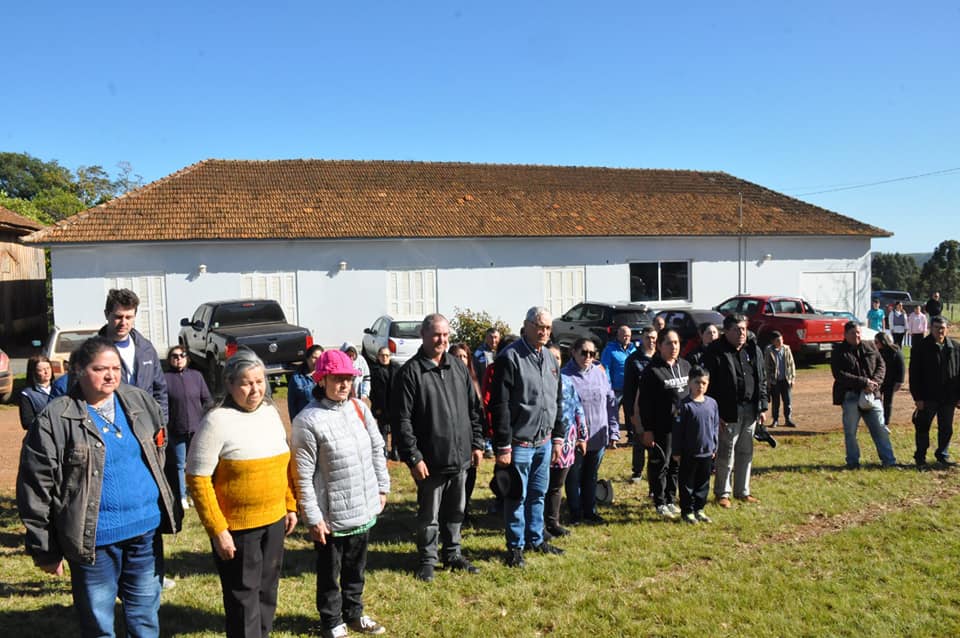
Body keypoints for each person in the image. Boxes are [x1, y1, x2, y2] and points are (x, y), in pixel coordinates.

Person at [17, 337, 180, 638]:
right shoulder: (55, 419)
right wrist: (45, 548)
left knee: (145, 616)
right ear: (78, 371)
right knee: (99, 624)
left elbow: (160, 451)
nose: (110, 376)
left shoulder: (139, 401)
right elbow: (36, 487)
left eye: (116, 368)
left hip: (144, 531)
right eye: (100, 369)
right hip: (94, 540)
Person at [186, 349, 298, 638]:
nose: (255, 389)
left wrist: (289, 504)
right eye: (246, 383)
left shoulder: (270, 412)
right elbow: (197, 479)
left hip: (274, 521)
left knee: (267, 591)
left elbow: (283, 463)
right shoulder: (216, 421)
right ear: (229, 383)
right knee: (243, 597)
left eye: (260, 381)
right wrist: (217, 530)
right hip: (237, 529)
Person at [292, 349, 390, 638]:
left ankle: (354, 613)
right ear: (322, 380)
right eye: (337, 378)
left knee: (356, 567)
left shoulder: (359, 408)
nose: (344, 384)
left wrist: (382, 486)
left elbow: (377, 448)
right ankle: (332, 621)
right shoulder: (307, 421)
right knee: (330, 572)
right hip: (331, 516)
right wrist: (313, 517)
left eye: (348, 378)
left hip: (362, 506)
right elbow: (302, 476)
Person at [393, 317, 485, 582]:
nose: (442, 340)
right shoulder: (410, 373)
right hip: (431, 461)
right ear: (423, 335)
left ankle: (453, 554)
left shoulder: (458, 367)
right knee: (429, 516)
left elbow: (473, 409)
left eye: (445, 335)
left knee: (456, 511)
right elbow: (402, 421)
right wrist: (413, 457)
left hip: (461, 458)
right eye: (436, 335)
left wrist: (477, 443)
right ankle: (428, 560)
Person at [489, 306, 566, 568]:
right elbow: (500, 404)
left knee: (538, 493)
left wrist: (558, 437)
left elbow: (557, 400)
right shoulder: (510, 357)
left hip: (544, 442)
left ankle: (536, 538)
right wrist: (503, 445)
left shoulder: (551, 359)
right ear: (527, 325)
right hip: (519, 443)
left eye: (548, 327)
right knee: (516, 496)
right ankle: (515, 547)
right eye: (539, 326)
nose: (544, 332)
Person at [703, 314, 768, 507]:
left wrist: (762, 406)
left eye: (744, 329)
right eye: (737, 329)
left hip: (751, 409)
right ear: (726, 331)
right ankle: (723, 493)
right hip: (727, 411)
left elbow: (762, 378)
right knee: (726, 453)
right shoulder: (715, 351)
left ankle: (742, 491)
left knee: (746, 452)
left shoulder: (753, 349)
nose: (741, 333)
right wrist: (715, 413)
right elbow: (708, 386)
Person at [562, 337, 619, 525]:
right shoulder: (565, 376)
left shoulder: (600, 373)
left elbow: (610, 402)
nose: (588, 357)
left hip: (598, 435)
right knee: (574, 476)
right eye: (584, 352)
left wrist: (613, 430)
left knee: (591, 475)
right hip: (575, 438)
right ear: (573, 352)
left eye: (592, 353)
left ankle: (590, 511)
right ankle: (575, 512)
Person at [637, 329, 691, 519]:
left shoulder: (685, 365)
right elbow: (644, 403)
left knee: (676, 464)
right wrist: (647, 430)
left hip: (681, 426)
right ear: (659, 346)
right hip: (662, 427)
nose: (673, 347)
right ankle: (659, 501)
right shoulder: (652, 371)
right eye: (669, 343)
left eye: (676, 342)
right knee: (661, 464)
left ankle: (670, 499)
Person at [831, 321, 898, 469]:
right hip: (850, 396)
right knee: (850, 433)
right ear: (845, 335)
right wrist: (864, 382)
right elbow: (839, 374)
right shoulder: (838, 351)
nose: (856, 335)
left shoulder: (870, 346)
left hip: (872, 395)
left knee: (880, 429)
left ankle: (889, 462)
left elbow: (881, 365)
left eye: (858, 332)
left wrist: (874, 383)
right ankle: (853, 463)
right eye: (852, 333)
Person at [98, 288, 168, 422]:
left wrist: (161, 422)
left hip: (146, 423)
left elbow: (160, 390)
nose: (123, 322)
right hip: (113, 425)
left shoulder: (146, 349)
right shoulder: (94, 352)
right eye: (118, 317)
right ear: (107, 314)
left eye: (128, 317)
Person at [545, 344, 587, 538]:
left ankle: (553, 522)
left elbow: (578, 408)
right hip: (544, 438)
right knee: (540, 485)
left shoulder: (568, 381)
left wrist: (582, 436)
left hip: (566, 440)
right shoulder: (539, 381)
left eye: (558, 358)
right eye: (551, 357)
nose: (555, 361)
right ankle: (538, 524)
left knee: (556, 484)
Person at [908, 316, 960, 468]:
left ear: (947, 329)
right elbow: (914, 374)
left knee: (946, 428)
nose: (940, 331)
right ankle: (920, 457)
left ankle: (942, 455)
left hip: (948, 397)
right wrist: (917, 397)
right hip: (927, 396)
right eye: (936, 327)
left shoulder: (955, 348)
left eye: (942, 328)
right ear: (930, 328)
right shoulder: (921, 347)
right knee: (923, 427)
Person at [164, 345, 212, 510]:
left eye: (182, 355)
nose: (179, 359)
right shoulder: (165, 378)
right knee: (179, 465)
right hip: (176, 429)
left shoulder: (196, 376)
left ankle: (197, 493)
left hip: (196, 428)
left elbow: (207, 400)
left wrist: (206, 419)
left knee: (197, 463)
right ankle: (182, 496)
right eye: (175, 356)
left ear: (187, 358)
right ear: (170, 359)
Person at [671, 366, 719, 524]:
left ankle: (699, 509)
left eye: (704, 383)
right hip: (689, 453)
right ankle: (687, 511)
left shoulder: (712, 403)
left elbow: (715, 426)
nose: (700, 386)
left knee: (703, 483)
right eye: (697, 382)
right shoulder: (684, 405)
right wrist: (677, 451)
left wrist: (714, 447)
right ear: (689, 383)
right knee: (687, 483)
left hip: (706, 452)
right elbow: (677, 430)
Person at [447, 342, 485, 523]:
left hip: (471, 436)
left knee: (470, 476)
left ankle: (465, 509)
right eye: (457, 356)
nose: (461, 359)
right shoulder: (446, 379)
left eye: (464, 356)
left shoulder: (474, 381)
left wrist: (478, 441)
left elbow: (478, 412)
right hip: (453, 439)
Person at [622, 326, 658, 483]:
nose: (651, 341)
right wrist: (631, 413)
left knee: (656, 444)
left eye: (654, 338)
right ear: (642, 339)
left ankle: (655, 472)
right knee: (639, 441)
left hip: (657, 408)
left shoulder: (660, 357)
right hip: (639, 408)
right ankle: (637, 471)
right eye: (648, 337)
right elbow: (628, 389)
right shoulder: (633, 360)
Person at [600, 324, 636, 427]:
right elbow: (605, 368)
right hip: (616, 389)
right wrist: (608, 387)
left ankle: (631, 433)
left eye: (628, 336)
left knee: (630, 414)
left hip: (630, 388)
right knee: (612, 414)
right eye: (624, 336)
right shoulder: (610, 350)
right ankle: (611, 433)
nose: (626, 338)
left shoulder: (633, 349)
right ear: (618, 336)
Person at [369, 346, 400, 459]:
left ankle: (395, 450)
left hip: (394, 404)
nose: (385, 357)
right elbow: (372, 391)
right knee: (383, 430)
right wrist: (376, 407)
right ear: (378, 356)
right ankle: (385, 450)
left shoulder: (396, 368)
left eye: (387, 355)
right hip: (381, 405)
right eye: (382, 355)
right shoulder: (374, 370)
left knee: (396, 429)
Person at [764, 331, 797, 428]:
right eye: (778, 340)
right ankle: (775, 420)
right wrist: (768, 381)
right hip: (775, 381)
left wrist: (792, 378)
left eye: (781, 339)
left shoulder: (786, 349)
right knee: (776, 402)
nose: (781, 342)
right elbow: (766, 366)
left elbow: (792, 364)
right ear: (773, 341)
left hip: (786, 380)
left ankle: (788, 419)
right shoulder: (769, 351)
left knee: (787, 401)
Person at [874, 332, 905, 428]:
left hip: (890, 381)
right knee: (876, 400)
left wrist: (900, 381)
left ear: (883, 341)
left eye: (876, 342)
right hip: (879, 381)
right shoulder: (876, 352)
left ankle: (886, 422)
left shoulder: (895, 351)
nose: (875, 344)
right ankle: (877, 420)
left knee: (887, 402)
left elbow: (901, 367)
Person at [288, 345, 324, 420]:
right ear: (307, 358)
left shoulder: (327, 376)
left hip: (323, 419)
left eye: (320, 358)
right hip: (305, 420)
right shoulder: (296, 378)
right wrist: (294, 423)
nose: (317, 361)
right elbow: (292, 404)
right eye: (314, 358)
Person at [19, 354, 54, 429]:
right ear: (33, 372)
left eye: (48, 368)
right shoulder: (27, 394)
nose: (46, 372)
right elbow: (27, 422)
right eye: (41, 370)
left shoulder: (60, 387)